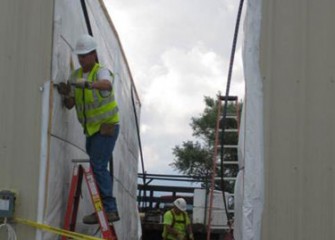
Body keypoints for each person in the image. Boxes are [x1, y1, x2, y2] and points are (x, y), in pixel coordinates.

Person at [59, 34, 120, 224]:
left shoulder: (101, 71)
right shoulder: (75, 76)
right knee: (97, 168)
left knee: (98, 166)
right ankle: (102, 210)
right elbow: (70, 105)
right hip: (91, 130)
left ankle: (110, 210)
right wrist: (66, 94)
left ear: (94, 54)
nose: (81, 59)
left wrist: (87, 84)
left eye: (85, 55)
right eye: (79, 55)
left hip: (107, 127)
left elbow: (107, 85)